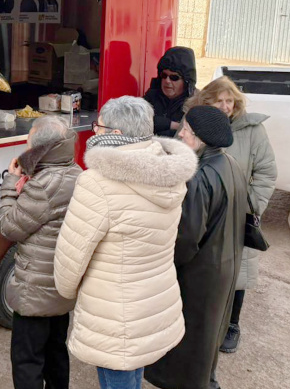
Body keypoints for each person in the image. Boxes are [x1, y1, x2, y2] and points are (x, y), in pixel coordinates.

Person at [53, 96, 198, 389]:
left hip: (114, 310)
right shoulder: (169, 174)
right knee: (132, 372)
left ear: (116, 135)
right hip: (153, 299)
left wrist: (66, 291)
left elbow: (72, 255)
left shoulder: (97, 183)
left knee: (119, 377)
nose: (95, 131)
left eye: (99, 127)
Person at [145, 105, 248, 389]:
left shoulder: (199, 175)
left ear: (200, 138)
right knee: (208, 335)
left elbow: (187, 237)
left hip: (199, 273)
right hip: (225, 264)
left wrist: (165, 267)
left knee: (189, 341)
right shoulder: (230, 163)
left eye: (186, 131)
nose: (180, 136)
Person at [186, 76, 277, 354]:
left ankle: (232, 324)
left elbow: (266, 172)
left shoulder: (252, 130)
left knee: (238, 271)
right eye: (219, 100)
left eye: (230, 100)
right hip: (202, 208)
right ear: (206, 101)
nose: (226, 106)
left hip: (238, 211)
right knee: (199, 266)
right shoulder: (194, 125)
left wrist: (251, 205)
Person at [0, 116, 82, 389]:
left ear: (41, 148)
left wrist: (11, 183)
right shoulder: (76, 173)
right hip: (61, 284)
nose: (25, 145)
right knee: (56, 354)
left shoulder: (43, 185)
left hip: (35, 291)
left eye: (29, 140)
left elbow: (9, 227)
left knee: (27, 361)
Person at [143, 47, 197, 137]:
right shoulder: (152, 96)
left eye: (174, 77)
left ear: (186, 81)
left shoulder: (196, 102)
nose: (167, 81)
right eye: (164, 75)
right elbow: (136, 119)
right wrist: (172, 125)